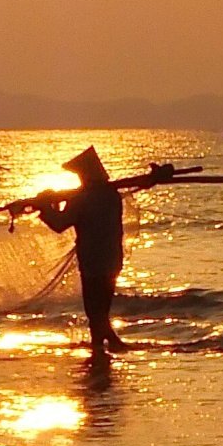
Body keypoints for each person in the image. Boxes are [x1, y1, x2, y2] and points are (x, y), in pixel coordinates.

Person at [30, 147, 173, 354]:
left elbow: (60, 224)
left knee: (94, 310)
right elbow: (142, 184)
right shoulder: (110, 194)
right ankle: (99, 349)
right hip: (112, 258)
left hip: (92, 260)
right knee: (101, 309)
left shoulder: (81, 199)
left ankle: (110, 343)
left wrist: (45, 207)